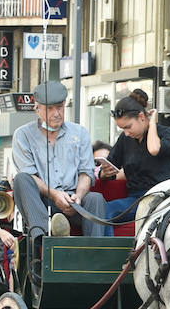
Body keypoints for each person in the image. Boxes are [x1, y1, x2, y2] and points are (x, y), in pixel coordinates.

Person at [9, 79, 106, 246]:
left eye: (60, 107)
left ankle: (95, 252)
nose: (56, 113)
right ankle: (42, 238)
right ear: (37, 109)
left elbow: (86, 172)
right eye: (50, 108)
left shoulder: (80, 133)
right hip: (42, 201)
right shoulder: (23, 135)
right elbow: (30, 175)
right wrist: (55, 195)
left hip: (74, 200)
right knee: (22, 179)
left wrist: (78, 196)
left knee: (96, 199)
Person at [98, 93, 170, 235]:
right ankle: (107, 252)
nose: (127, 132)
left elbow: (155, 149)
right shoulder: (126, 139)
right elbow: (110, 165)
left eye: (128, 127)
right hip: (137, 199)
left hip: (166, 196)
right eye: (123, 129)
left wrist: (153, 123)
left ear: (142, 117)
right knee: (105, 210)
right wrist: (104, 173)